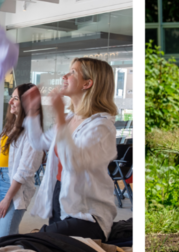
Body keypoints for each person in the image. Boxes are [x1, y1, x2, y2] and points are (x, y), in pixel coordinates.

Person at [29, 57, 119, 240]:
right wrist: (32, 112)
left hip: (87, 213)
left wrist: (60, 118)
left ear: (88, 83)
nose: (65, 76)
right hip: (59, 194)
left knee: (38, 240)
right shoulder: (71, 118)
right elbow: (39, 142)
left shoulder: (102, 126)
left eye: (72, 72)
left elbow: (73, 162)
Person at [0, 84, 44, 238]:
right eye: (11, 97)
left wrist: (8, 197)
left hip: (13, 187)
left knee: (4, 237)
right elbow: (1, 147)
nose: (10, 101)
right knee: (8, 233)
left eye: (15, 98)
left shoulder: (33, 133)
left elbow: (24, 171)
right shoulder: (13, 125)